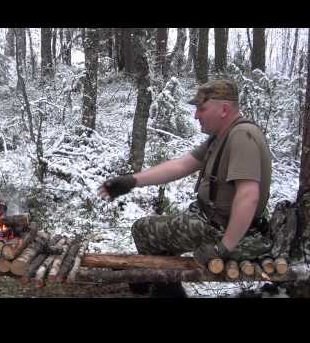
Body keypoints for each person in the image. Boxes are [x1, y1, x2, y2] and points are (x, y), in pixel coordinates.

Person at [100, 79, 273, 297]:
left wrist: (223, 248)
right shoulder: (222, 136)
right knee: (151, 231)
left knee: (143, 230)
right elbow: (181, 166)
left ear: (224, 109)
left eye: (202, 109)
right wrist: (132, 181)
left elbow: (249, 196)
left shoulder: (241, 136)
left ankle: (162, 289)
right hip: (208, 218)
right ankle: (158, 284)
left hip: (218, 228)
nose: (196, 116)